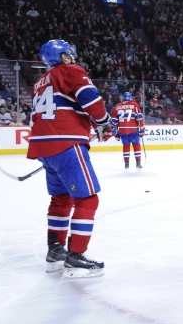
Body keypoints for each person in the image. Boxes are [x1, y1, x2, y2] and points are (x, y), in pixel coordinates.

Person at [27, 39, 117, 278]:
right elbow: (91, 100)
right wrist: (104, 122)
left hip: (44, 147)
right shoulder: (71, 71)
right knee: (88, 199)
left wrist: (94, 125)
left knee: (61, 199)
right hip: (66, 143)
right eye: (70, 54)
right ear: (64, 57)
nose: (73, 57)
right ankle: (75, 255)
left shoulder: (38, 83)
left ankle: (54, 252)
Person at [111, 92, 145, 170]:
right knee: (136, 145)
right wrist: (142, 128)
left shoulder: (116, 107)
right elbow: (139, 118)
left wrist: (115, 133)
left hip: (122, 130)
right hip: (133, 129)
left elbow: (114, 122)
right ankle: (138, 163)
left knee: (126, 146)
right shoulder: (135, 105)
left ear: (123, 98)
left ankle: (126, 164)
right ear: (130, 98)